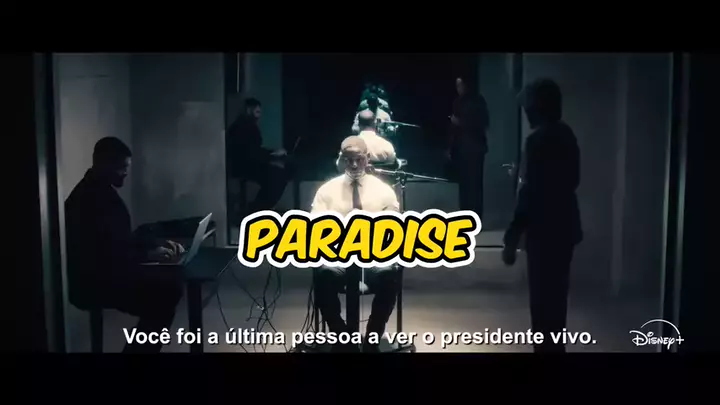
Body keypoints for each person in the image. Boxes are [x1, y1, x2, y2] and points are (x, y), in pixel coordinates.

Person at [65, 137, 185, 354]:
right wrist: (148, 254)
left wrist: (155, 246)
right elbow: (107, 253)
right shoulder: (88, 199)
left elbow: (118, 239)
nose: (126, 173)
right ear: (103, 164)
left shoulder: (98, 190)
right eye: (121, 167)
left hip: (106, 272)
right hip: (95, 281)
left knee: (168, 287)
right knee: (167, 293)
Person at [501, 78, 583, 353]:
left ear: (539, 108)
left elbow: (531, 193)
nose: (527, 112)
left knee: (542, 307)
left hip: (543, 232)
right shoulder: (566, 134)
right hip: (565, 228)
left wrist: (512, 236)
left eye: (529, 107)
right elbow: (573, 180)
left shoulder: (537, 141)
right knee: (557, 304)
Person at [311, 136, 400, 353]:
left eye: (358, 159)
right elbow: (314, 227)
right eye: (348, 160)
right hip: (338, 256)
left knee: (390, 276)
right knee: (323, 277)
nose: (353, 165)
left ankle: (372, 337)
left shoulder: (383, 190)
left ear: (367, 158)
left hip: (373, 256)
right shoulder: (327, 190)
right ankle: (341, 336)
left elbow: (395, 228)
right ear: (341, 159)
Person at [226, 98, 289, 217]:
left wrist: (272, 154)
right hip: (243, 166)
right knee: (277, 176)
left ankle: (258, 209)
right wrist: (271, 156)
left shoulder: (246, 126)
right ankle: (257, 211)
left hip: (249, 163)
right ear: (249, 110)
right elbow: (249, 153)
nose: (259, 116)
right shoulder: (242, 127)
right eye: (257, 112)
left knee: (278, 175)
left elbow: (254, 150)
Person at [447, 76, 490, 219]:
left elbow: (483, 123)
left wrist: (460, 122)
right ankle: (465, 215)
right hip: (461, 148)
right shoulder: (458, 102)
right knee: (464, 184)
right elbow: (454, 129)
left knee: (475, 184)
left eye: (460, 85)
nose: (458, 89)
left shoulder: (477, 101)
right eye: (457, 86)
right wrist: (451, 148)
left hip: (475, 148)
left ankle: (476, 216)